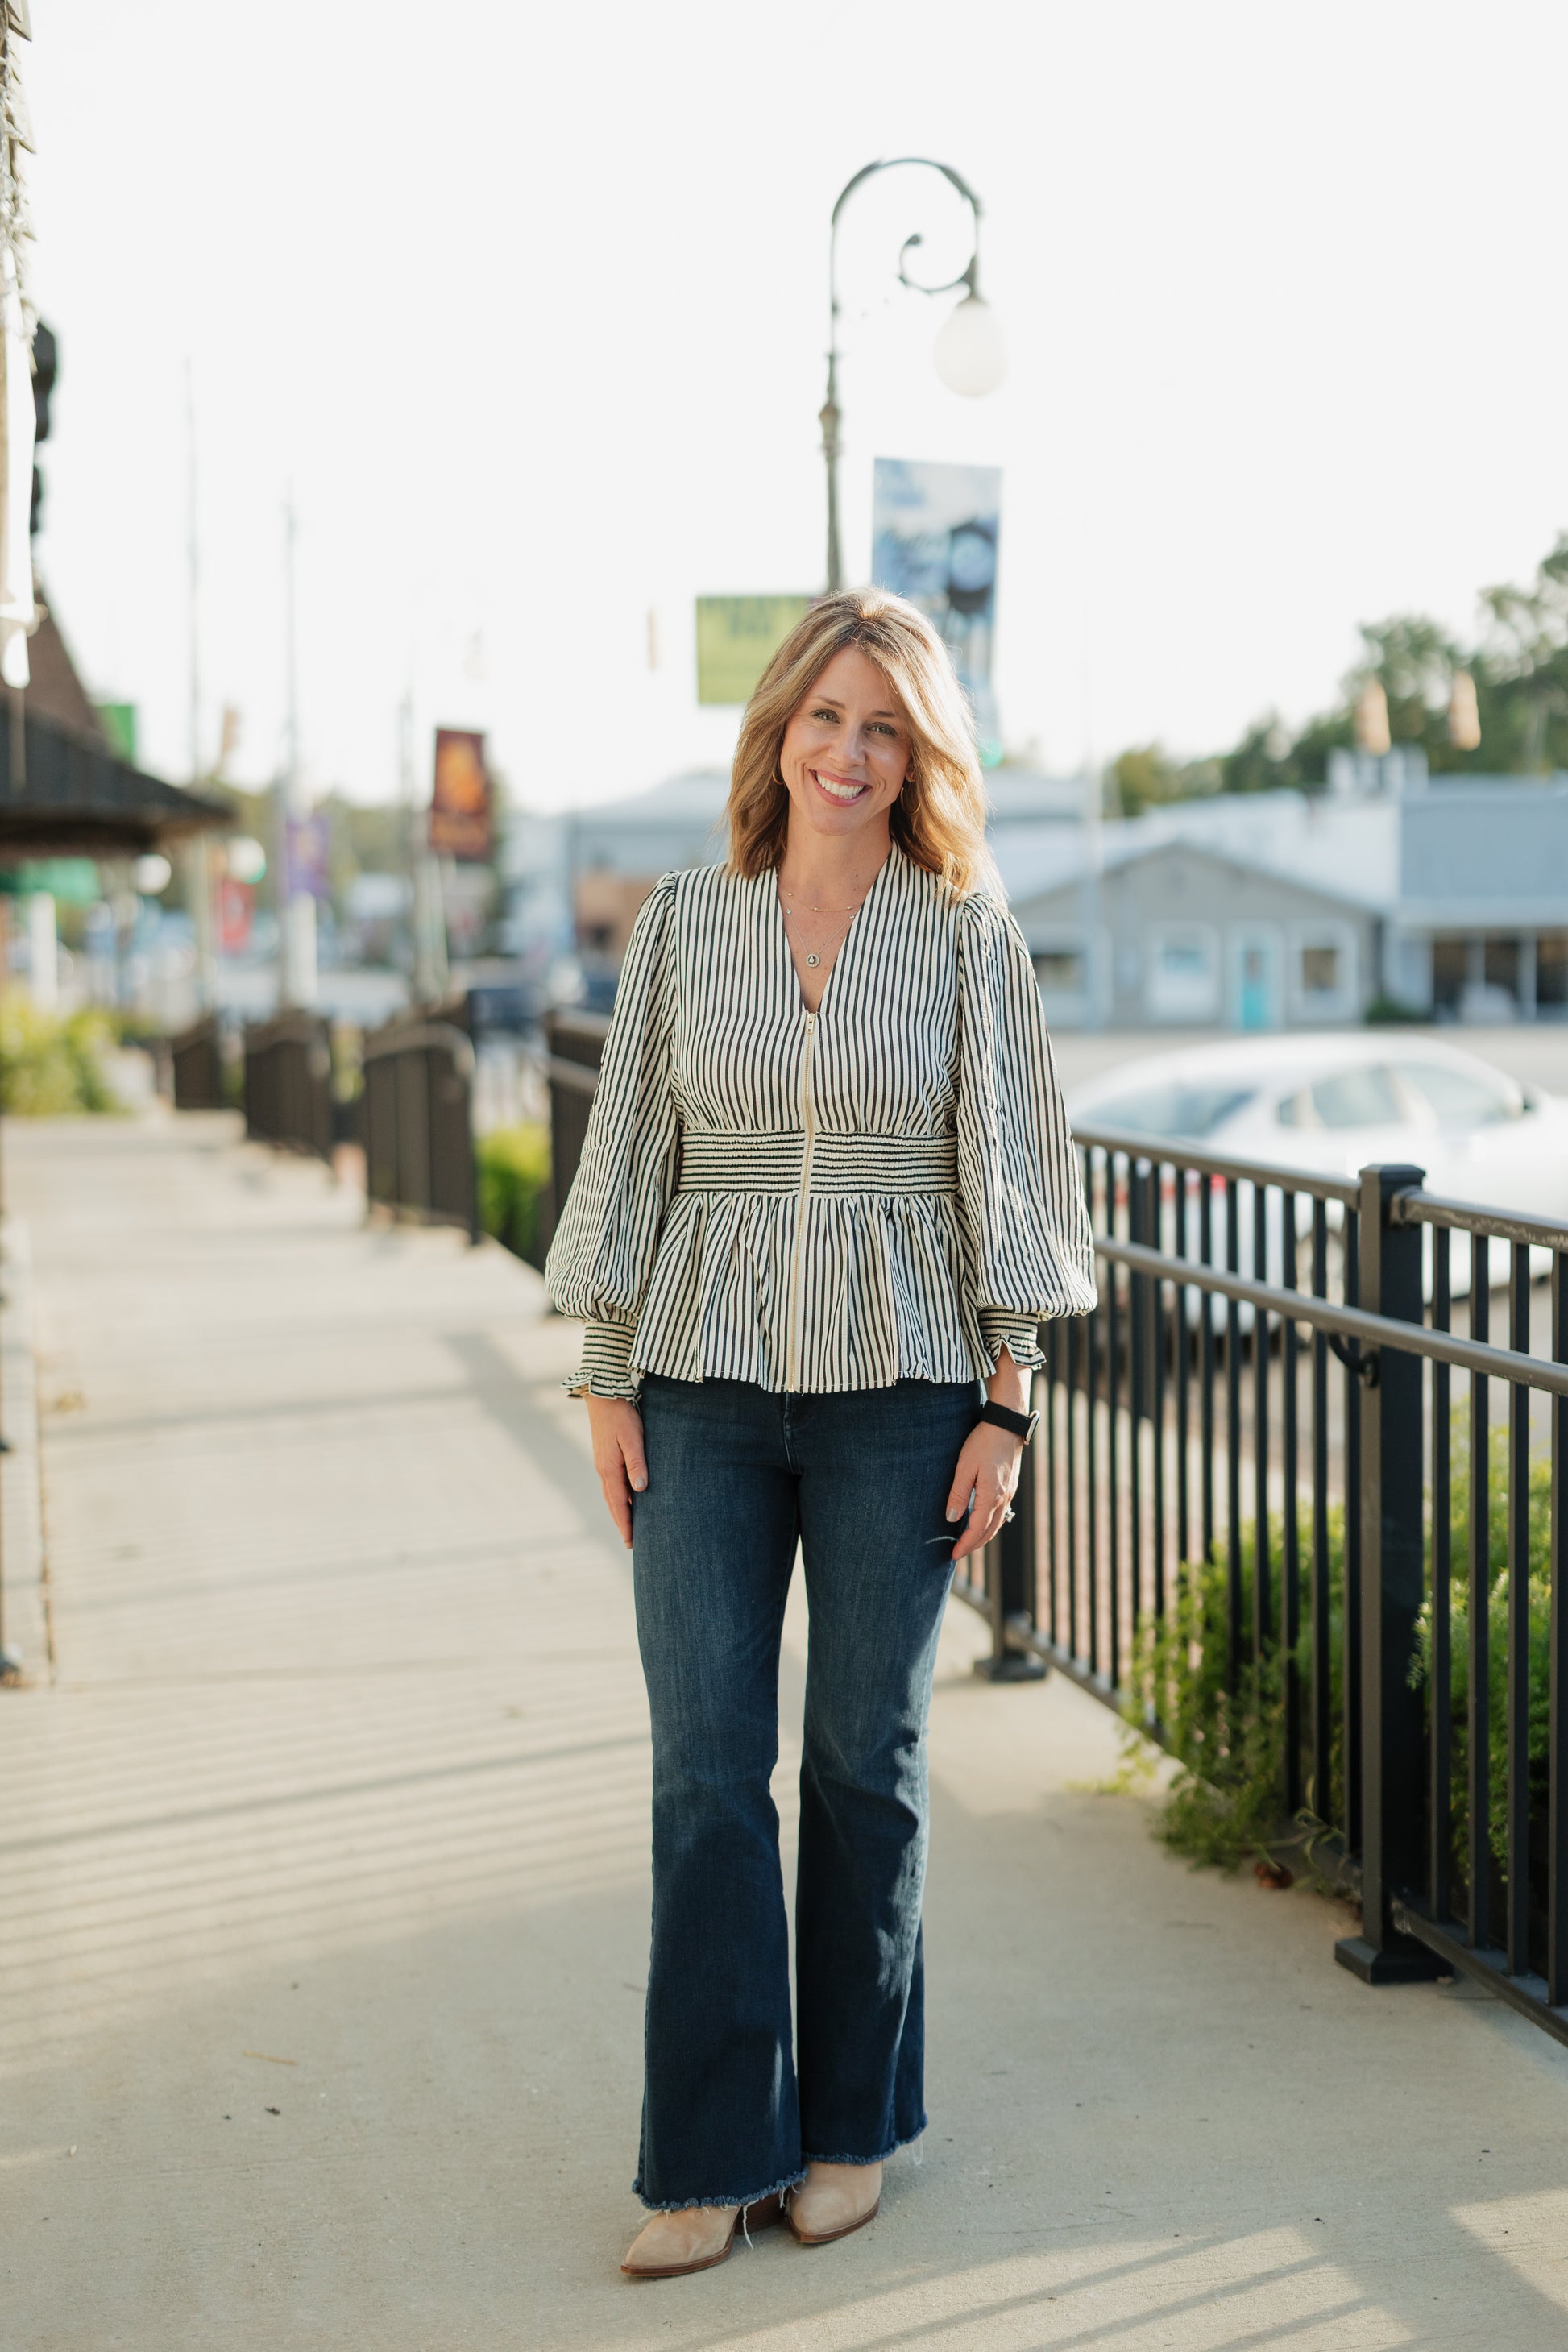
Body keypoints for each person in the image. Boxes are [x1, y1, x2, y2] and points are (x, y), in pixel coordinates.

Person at [545, 587, 1095, 2282]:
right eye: (824, 717)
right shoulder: (684, 928)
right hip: (702, 1384)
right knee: (707, 1769)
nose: (848, 752)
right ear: (776, 728)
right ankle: (708, 2157)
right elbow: (633, 1146)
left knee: (867, 1760)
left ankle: (849, 2126)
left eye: (884, 727)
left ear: (916, 752)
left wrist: (1006, 1398)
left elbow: (1000, 1176)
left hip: (903, 1392)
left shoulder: (961, 935)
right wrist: (608, 1372)